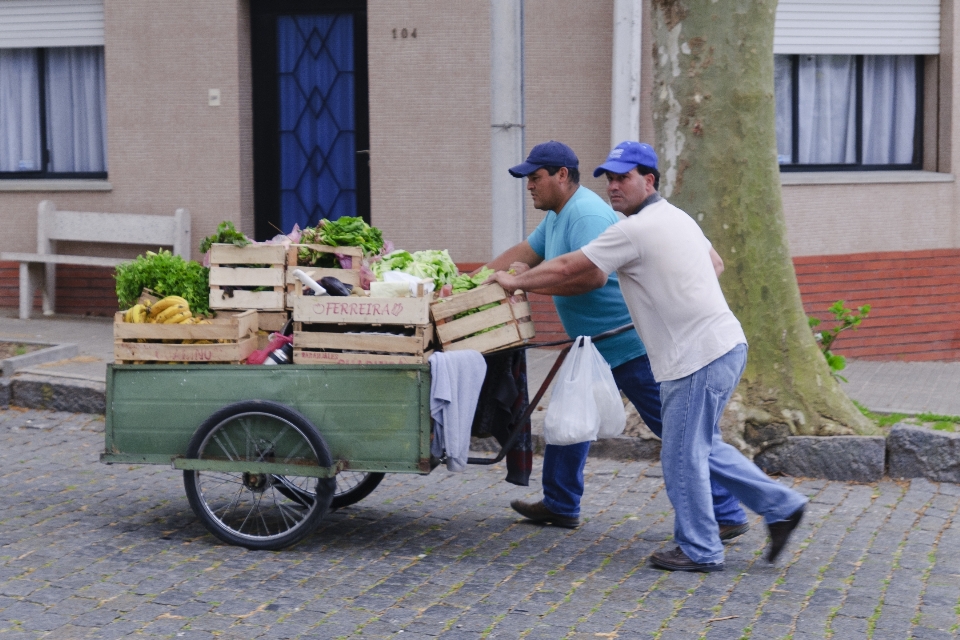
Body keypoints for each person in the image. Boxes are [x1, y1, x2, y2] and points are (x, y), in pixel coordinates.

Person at [491, 141, 808, 572]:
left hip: (695, 355)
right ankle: (778, 507)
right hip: (717, 345)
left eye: (625, 177)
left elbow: (571, 269)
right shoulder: (675, 218)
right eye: (611, 178)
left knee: (684, 455)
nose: (615, 186)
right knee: (695, 448)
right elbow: (713, 264)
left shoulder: (632, 229)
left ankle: (704, 546)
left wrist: (516, 284)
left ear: (649, 180)